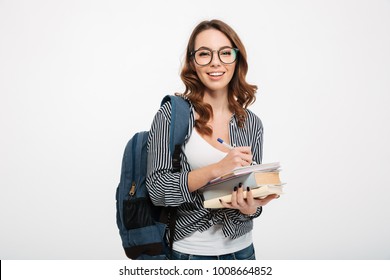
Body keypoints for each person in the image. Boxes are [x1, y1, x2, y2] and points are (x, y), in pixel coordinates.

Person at [146, 19, 279, 260]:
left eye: (225, 53)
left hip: (242, 251)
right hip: (189, 253)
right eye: (204, 54)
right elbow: (157, 190)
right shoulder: (173, 115)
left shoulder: (251, 123)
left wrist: (251, 207)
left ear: (236, 59)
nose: (216, 62)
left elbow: (251, 194)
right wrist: (217, 169)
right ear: (193, 62)